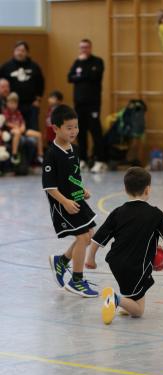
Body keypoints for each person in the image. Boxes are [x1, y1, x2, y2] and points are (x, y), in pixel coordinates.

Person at [86, 166, 163, 324]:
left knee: (134, 286)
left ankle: (125, 302)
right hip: (136, 265)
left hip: (115, 262)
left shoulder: (117, 212)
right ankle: (116, 299)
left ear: (125, 189)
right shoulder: (155, 214)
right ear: (147, 190)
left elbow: (98, 238)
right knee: (139, 311)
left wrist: (90, 258)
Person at [42, 104, 98, 298]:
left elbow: (73, 174)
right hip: (62, 205)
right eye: (69, 127)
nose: (74, 131)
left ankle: (62, 261)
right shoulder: (51, 154)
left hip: (76, 200)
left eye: (76, 126)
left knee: (89, 234)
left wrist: (81, 189)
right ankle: (76, 280)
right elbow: (49, 187)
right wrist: (65, 202)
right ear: (55, 128)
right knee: (83, 237)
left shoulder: (74, 149)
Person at [67, 38, 106, 173]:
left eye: (86, 47)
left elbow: (94, 76)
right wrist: (82, 74)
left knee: (95, 131)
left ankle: (100, 160)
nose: (84, 50)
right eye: (82, 47)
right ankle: (82, 159)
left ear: (90, 48)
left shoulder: (97, 61)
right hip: (79, 104)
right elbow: (70, 78)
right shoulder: (77, 62)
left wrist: (80, 74)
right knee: (80, 132)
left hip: (93, 104)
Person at [0, 40, 45, 130]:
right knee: (15, 130)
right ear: (14, 52)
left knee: (33, 130)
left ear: (27, 52)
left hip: (31, 104)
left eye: (22, 50)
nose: (20, 52)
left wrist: (38, 99)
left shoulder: (34, 67)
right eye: (17, 50)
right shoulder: (6, 67)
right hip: (12, 105)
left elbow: (41, 83)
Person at [3, 92, 44, 165]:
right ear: (7, 103)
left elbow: (22, 122)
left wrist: (22, 127)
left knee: (39, 134)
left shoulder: (18, 112)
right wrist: (16, 127)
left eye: (15, 103)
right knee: (17, 133)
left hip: (21, 129)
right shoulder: (6, 112)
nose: (13, 105)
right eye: (11, 103)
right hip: (11, 131)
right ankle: (14, 154)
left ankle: (40, 155)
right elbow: (6, 123)